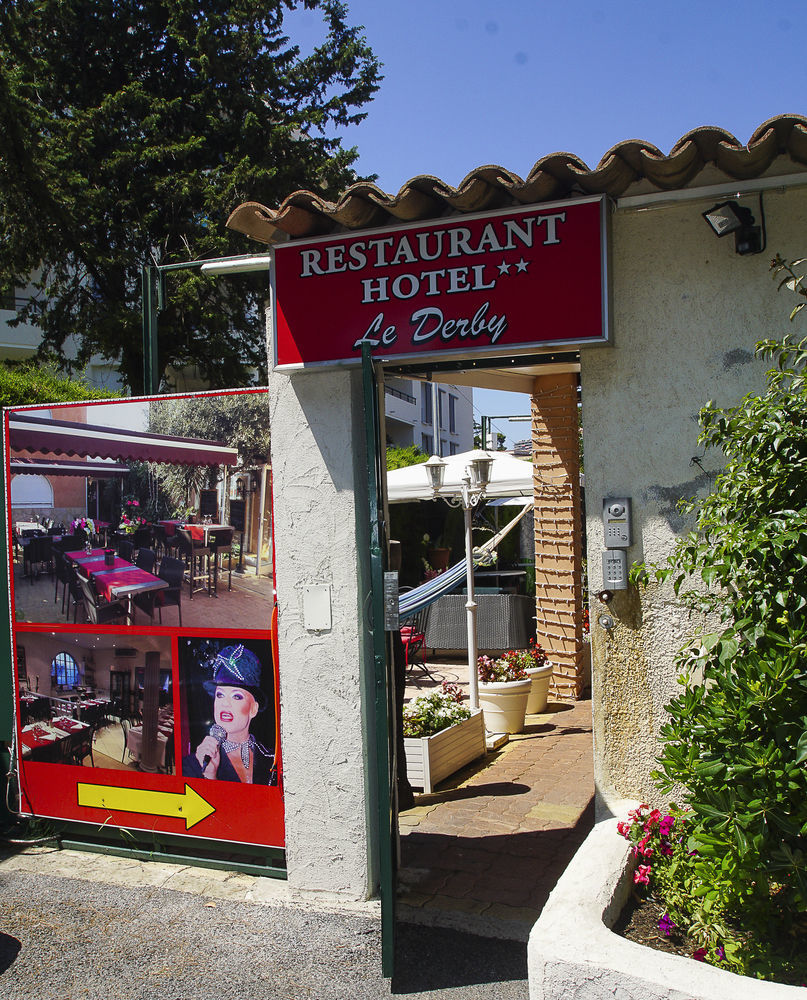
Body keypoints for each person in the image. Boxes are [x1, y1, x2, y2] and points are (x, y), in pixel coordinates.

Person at [183, 644, 276, 785]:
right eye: (220, 695)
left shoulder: (274, 759)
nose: (224, 704)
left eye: (236, 696)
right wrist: (209, 776)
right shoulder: (193, 765)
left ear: (253, 709)